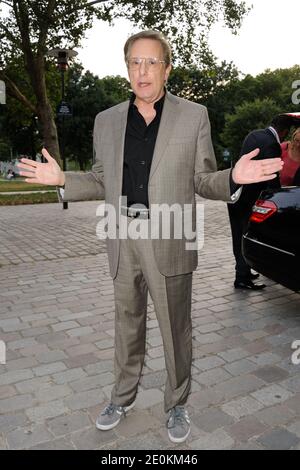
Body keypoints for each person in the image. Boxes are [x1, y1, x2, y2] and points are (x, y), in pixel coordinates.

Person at [17, 30, 283, 444]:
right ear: (127, 69)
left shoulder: (194, 115)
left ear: (167, 69)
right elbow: (101, 179)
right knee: (127, 324)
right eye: (134, 62)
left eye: (151, 62)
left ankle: (176, 404)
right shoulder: (105, 121)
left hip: (172, 236)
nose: (142, 71)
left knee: (176, 328)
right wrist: (63, 179)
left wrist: (232, 177)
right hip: (122, 237)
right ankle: (121, 397)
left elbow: (201, 179)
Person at [227, 115, 291, 291]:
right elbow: (272, 177)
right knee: (245, 235)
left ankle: (244, 271)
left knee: (238, 234)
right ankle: (241, 279)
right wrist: (279, 197)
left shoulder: (254, 134)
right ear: (284, 131)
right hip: (248, 198)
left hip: (234, 194)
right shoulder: (272, 144)